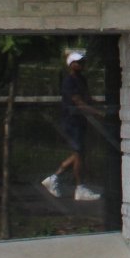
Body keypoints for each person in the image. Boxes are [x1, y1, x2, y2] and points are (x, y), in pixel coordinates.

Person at [43, 48, 105, 201]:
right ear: (71, 64)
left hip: (80, 121)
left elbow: (87, 99)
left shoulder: (82, 79)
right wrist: (98, 113)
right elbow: (78, 102)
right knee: (78, 153)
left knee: (79, 153)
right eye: (78, 62)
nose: (82, 64)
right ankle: (79, 187)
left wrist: (101, 106)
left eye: (82, 61)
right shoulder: (69, 81)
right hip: (71, 121)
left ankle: (54, 177)